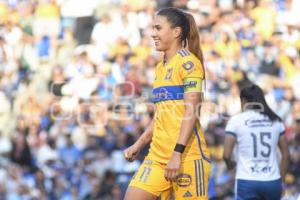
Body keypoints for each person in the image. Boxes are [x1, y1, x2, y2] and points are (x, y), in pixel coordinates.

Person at [123, 7, 211, 200]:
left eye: (158, 28)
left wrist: (177, 153)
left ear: (176, 32)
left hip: (187, 156)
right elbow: (161, 115)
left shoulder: (189, 64)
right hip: (157, 156)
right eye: (152, 28)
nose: (153, 33)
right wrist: (138, 144)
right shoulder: (160, 68)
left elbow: (191, 111)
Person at [223, 84, 289, 200]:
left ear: (243, 100)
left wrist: (230, 165)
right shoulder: (276, 120)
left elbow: (226, 155)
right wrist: (281, 182)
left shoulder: (236, 121)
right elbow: (285, 154)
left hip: (247, 180)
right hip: (272, 181)